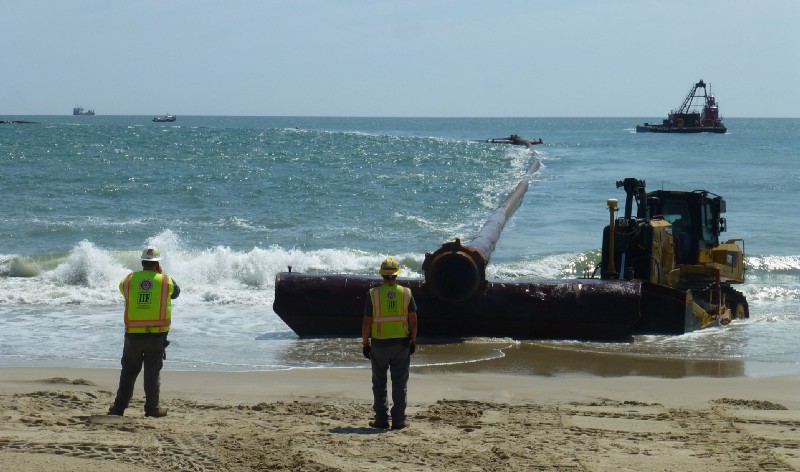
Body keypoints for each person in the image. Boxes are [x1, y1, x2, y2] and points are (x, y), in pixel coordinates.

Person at [108, 246, 180, 418]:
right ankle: (152, 409)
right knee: (152, 372)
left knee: (129, 371)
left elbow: (123, 290)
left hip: (133, 334)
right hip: (157, 335)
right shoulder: (166, 280)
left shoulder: (128, 280)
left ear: (142, 262)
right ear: (157, 263)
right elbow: (176, 293)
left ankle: (118, 408)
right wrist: (159, 275)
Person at [361, 257, 418, 430]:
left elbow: (366, 322)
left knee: (379, 383)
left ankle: (381, 420)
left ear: (382, 275)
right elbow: (413, 320)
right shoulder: (406, 293)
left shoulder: (373, 294)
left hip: (379, 344)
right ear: (396, 274)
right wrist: (414, 340)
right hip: (401, 344)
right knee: (400, 382)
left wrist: (365, 343)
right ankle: (399, 420)